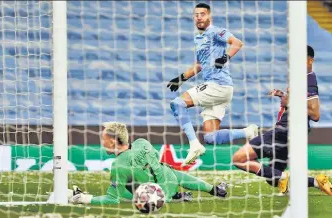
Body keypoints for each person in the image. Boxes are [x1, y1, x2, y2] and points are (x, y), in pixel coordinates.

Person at [232, 45, 332, 195]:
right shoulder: (300, 78)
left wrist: (290, 102)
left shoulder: (309, 80)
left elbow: (315, 114)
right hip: (291, 133)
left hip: (285, 131)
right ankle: (318, 181)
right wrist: (283, 95)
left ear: (310, 60)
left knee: (239, 158)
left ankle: (284, 176)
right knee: (273, 178)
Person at [167, 3, 258, 166]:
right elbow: (199, 65)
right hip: (220, 90)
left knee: (177, 103)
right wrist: (181, 78)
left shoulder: (216, 32)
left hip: (218, 85)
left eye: (203, 14)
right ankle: (248, 131)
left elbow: (237, 43)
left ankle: (194, 145)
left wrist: (226, 57)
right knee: (209, 137)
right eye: (196, 14)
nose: (199, 17)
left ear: (209, 16)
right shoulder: (199, 38)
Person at [69, 122, 228, 205]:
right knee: (173, 173)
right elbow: (157, 161)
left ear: (112, 141)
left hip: (154, 195)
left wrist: (85, 199)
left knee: (119, 190)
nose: (101, 142)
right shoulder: (142, 142)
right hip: (168, 180)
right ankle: (215, 190)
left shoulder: (118, 165)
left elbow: (112, 200)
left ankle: (82, 195)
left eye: (103, 139)